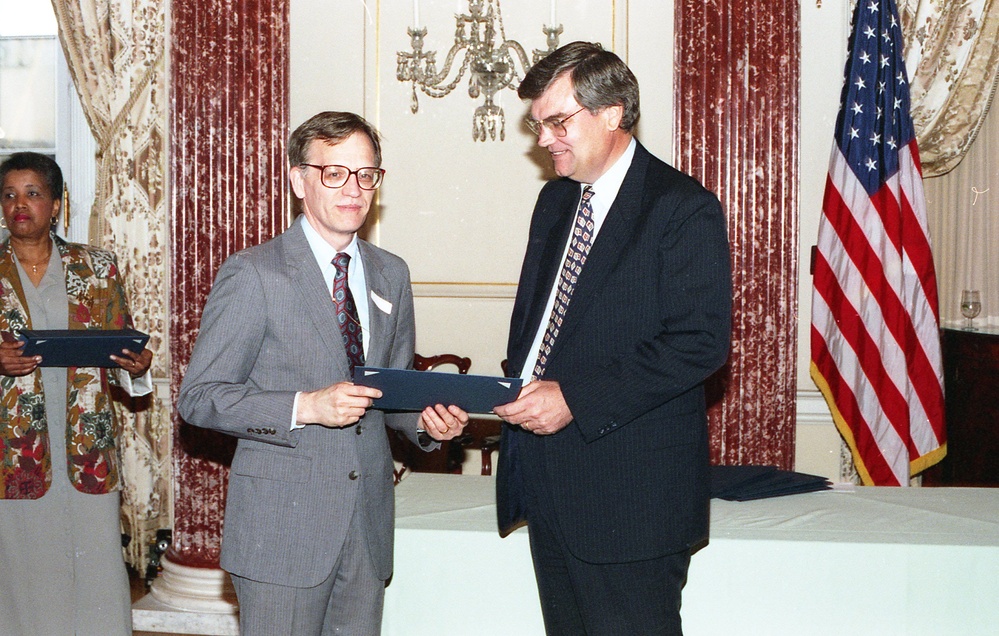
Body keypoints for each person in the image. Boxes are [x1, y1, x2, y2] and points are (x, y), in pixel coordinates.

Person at [177, 111, 468, 635]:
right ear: (298, 180)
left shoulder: (390, 273)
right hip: (282, 531)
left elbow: (390, 392)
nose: (353, 189)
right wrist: (305, 406)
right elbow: (200, 397)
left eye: (366, 174)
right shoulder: (254, 273)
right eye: (334, 172)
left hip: (366, 526)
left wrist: (427, 424)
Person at [493, 42, 732, 635]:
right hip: (550, 489)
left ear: (612, 112)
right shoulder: (553, 202)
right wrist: (497, 391)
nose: (544, 138)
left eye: (557, 121)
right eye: (537, 124)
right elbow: (537, 335)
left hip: (632, 503)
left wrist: (574, 396)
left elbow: (699, 342)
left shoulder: (681, 208)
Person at [0, 152, 154, 635]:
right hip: (14, 450)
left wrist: (137, 365)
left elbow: (122, 347)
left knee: (97, 568)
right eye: (8, 195)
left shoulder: (97, 267)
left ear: (57, 203)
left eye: (32, 193)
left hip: (87, 446)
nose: (19, 205)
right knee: (25, 572)